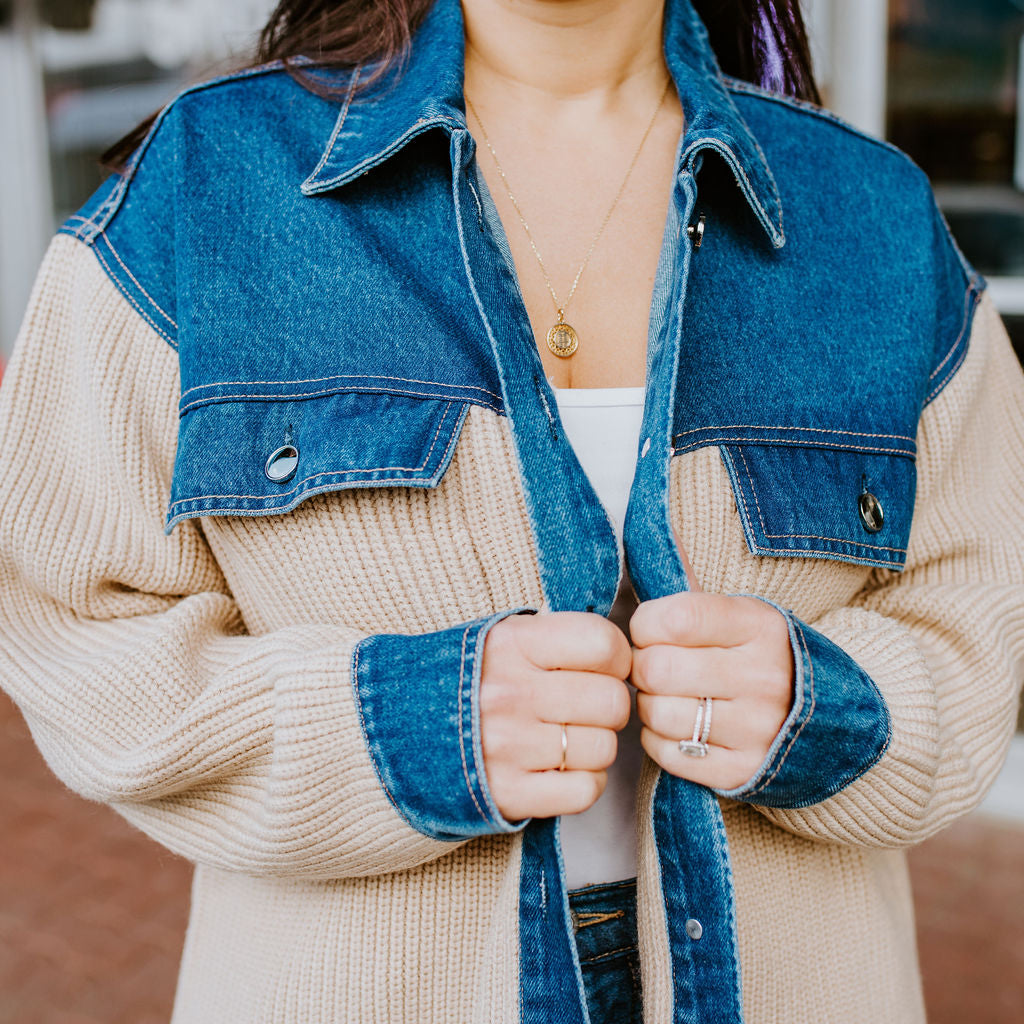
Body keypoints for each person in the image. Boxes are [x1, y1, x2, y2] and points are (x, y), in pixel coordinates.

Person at [1, 0, 1022, 1021]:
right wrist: (406, 725)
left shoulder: (872, 218)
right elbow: (73, 630)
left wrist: (823, 706)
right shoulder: (210, 181)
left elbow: (983, 629)